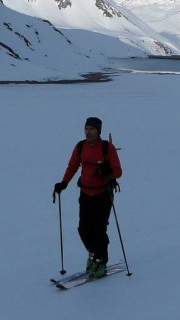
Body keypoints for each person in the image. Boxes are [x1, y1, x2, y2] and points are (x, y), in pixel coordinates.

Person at [53, 117, 122, 278]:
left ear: (98, 131)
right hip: (85, 194)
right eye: (86, 128)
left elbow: (118, 172)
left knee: (99, 229)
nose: (88, 132)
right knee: (84, 229)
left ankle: (101, 261)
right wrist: (63, 183)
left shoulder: (107, 148)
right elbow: (72, 166)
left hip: (103, 194)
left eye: (92, 129)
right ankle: (93, 254)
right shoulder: (80, 147)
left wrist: (108, 172)